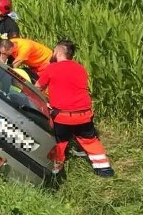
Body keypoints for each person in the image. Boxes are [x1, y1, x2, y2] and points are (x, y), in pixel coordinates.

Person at [36, 39, 114, 177]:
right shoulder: (80, 68)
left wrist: (46, 102)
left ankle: (56, 169)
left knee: (60, 142)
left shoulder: (51, 68)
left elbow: (37, 88)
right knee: (90, 140)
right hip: (84, 113)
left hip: (63, 115)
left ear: (58, 52)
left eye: (54, 51)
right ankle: (104, 169)